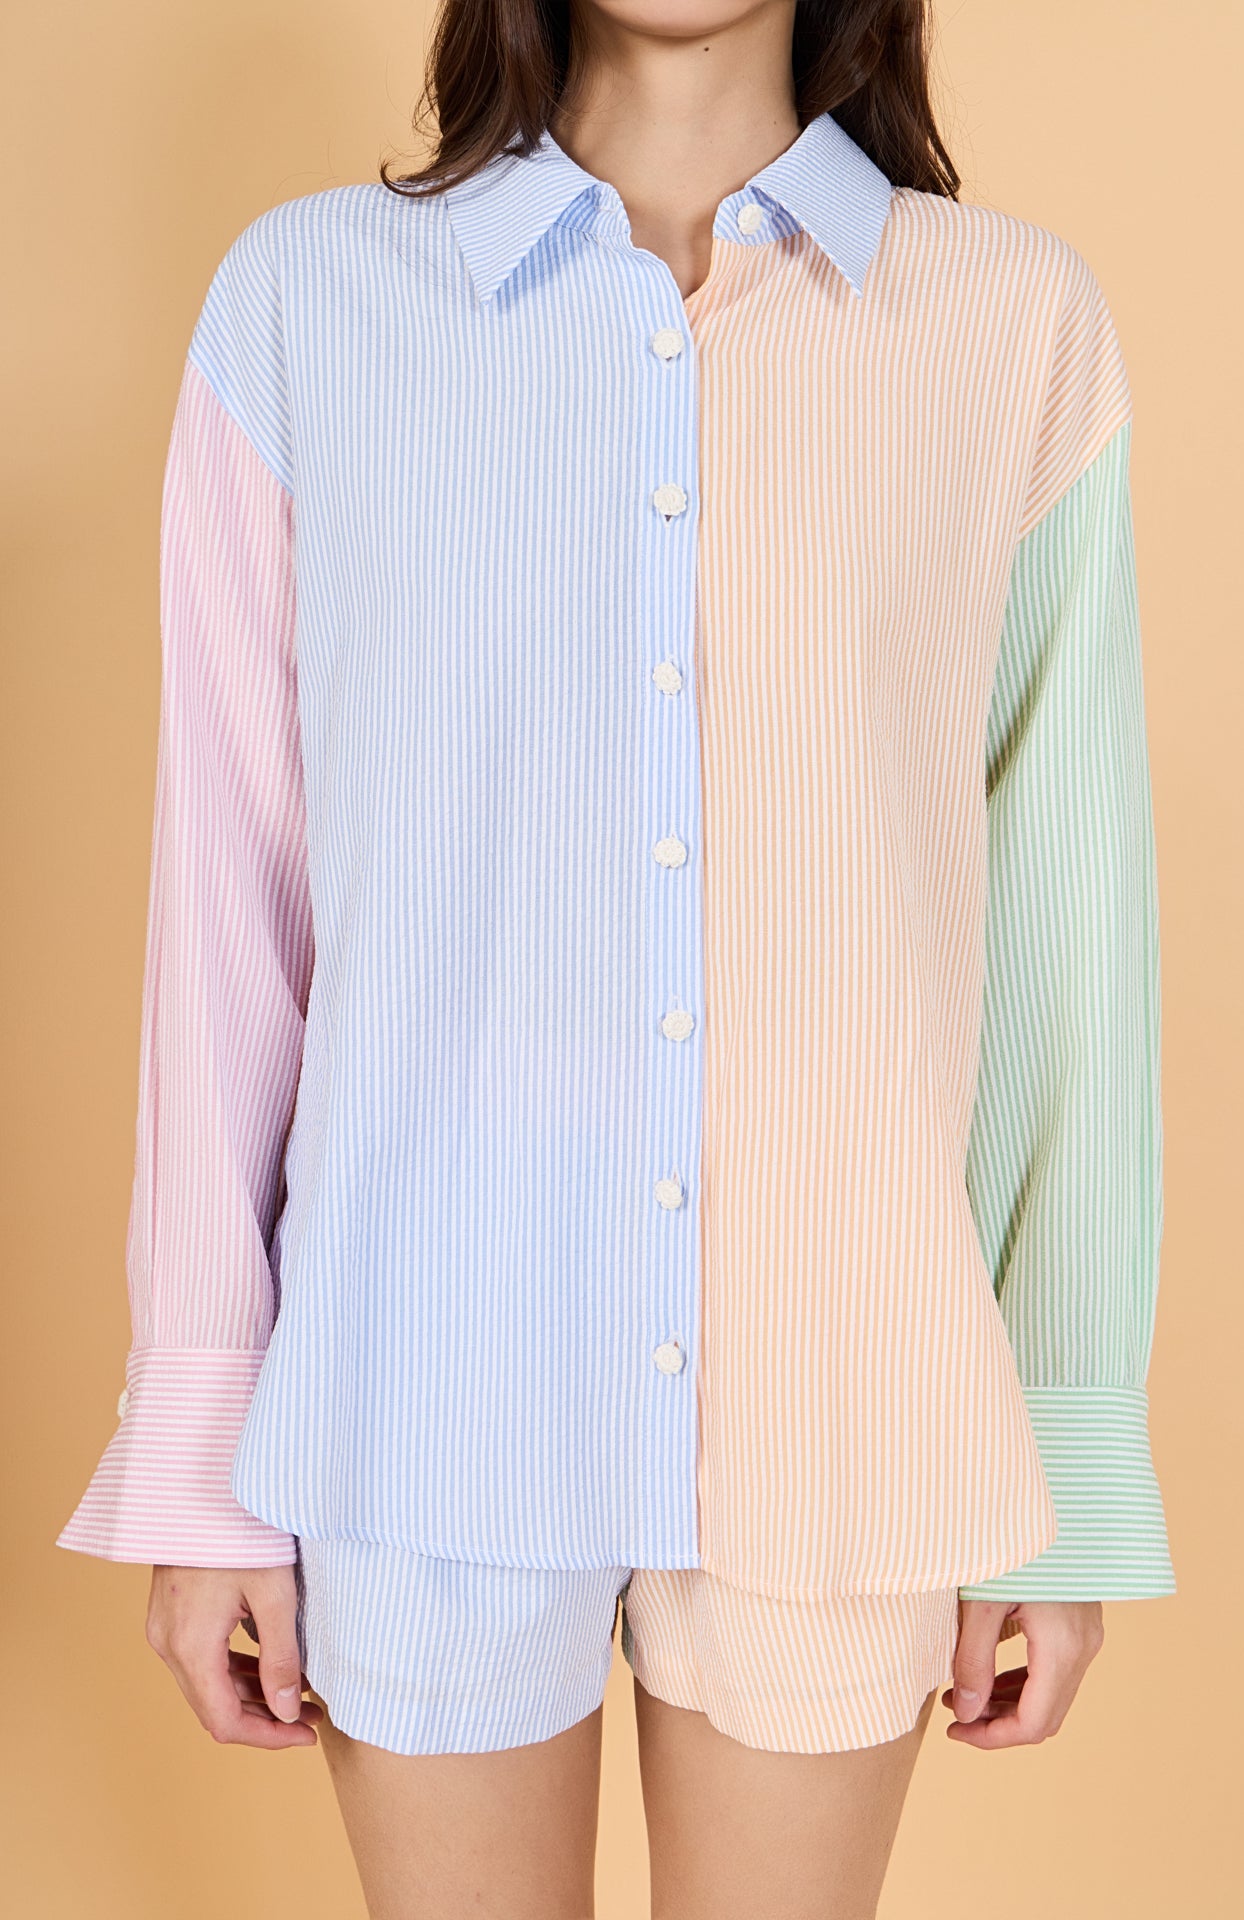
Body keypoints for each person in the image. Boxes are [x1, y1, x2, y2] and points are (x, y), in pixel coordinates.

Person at [57, 2, 1177, 1914]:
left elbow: (1064, 942)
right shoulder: (308, 305)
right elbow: (232, 911)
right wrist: (199, 1439)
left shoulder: (1013, 326)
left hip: (844, 1392)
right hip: (422, 1382)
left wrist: (1055, 1462)